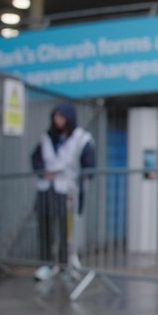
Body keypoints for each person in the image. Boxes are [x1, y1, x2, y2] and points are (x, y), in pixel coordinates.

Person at [31, 102, 96, 279]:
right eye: (55, 117)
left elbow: (89, 165)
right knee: (44, 227)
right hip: (46, 188)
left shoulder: (81, 139)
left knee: (66, 230)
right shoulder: (47, 137)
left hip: (67, 190)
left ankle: (65, 264)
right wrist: (42, 171)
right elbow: (35, 158)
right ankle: (45, 263)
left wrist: (82, 180)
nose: (57, 120)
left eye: (61, 117)